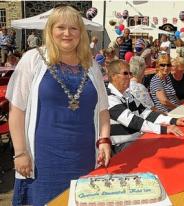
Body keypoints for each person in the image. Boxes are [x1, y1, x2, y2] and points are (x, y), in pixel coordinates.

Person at [6, 6, 111, 205]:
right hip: (43, 159)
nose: (67, 33)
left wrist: (104, 139)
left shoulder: (92, 65)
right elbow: (17, 110)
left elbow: (103, 110)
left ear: (81, 33)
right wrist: (20, 153)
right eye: (60, 27)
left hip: (85, 156)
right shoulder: (32, 59)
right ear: (50, 30)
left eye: (73, 28)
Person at [107, 59, 184, 153]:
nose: (129, 77)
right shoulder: (109, 97)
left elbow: (146, 113)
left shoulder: (127, 94)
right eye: (125, 73)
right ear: (113, 76)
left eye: (130, 73)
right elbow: (132, 121)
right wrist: (163, 129)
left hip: (136, 140)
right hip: (121, 146)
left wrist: (174, 120)